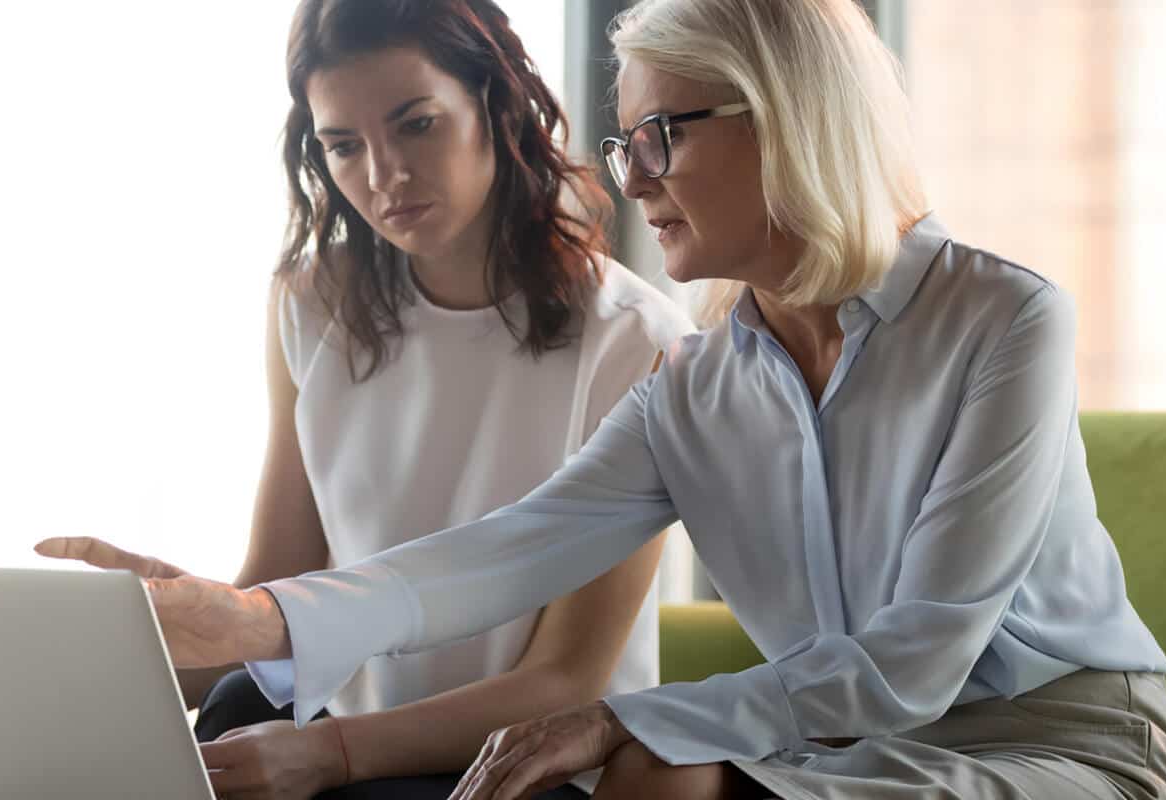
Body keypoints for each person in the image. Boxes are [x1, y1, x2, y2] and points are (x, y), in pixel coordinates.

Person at [42, 0, 1166, 798]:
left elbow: (912, 660)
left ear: (787, 117)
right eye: (623, 136)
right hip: (842, 752)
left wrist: (615, 714)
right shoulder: (694, 383)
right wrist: (260, 622)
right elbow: (498, 552)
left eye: (661, 133)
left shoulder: (1002, 319)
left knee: (648, 755)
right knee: (654, 769)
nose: (631, 175)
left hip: (1066, 745)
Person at [38, 1, 693, 798]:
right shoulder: (313, 303)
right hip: (344, 737)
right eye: (343, 145)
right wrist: (123, 651)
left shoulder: (634, 339)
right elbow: (279, 581)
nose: (383, 177)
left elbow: (567, 681)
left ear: (497, 104)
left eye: (416, 125)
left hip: (526, 766)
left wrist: (329, 754)